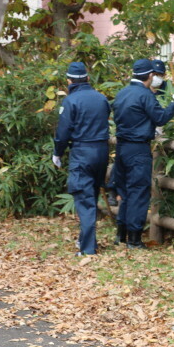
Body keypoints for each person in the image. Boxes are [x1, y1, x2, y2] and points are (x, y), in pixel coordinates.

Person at [112, 58, 174, 248]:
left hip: (121, 148)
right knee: (138, 192)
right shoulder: (144, 95)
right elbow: (160, 118)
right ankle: (134, 239)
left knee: (126, 192)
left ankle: (121, 234)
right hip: (138, 149)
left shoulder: (122, 93)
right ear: (151, 75)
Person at [52, 62, 111, 256]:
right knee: (91, 196)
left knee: (84, 200)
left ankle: (87, 248)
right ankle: (86, 241)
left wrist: (57, 152)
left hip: (82, 152)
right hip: (101, 152)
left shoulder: (71, 101)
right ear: (87, 78)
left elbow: (63, 131)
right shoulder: (101, 98)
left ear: (69, 81)